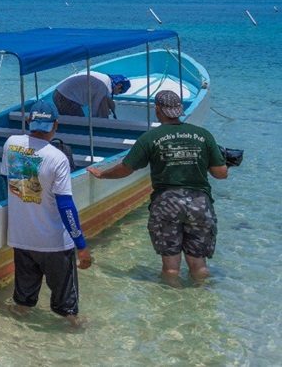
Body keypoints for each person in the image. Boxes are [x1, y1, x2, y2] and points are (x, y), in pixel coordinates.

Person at [88, 90, 227, 281]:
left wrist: (102, 174)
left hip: (166, 203)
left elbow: (126, 169)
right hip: (199, 203)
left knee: (171, 268)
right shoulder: (203, 135)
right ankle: (202, 302)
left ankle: (172, 303)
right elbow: (221, 173)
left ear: (158, 109)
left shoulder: (150, 137)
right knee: (199, 265)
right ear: (179, 109)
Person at [1, 99, 92, 324]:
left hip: (22, 239)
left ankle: (18, 338)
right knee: (67, 310)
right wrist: (81, 245)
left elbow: (9, 180)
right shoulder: (57, 158)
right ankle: (75, 339)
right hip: (54, 244)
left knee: (22, 303)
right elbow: (66, 206)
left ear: (29, 121)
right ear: (55, 126)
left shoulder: (11, 144)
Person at [52, 71, 131, 118]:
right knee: (80, 125)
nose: (117, 94)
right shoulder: (105, 86)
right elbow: (94, 110)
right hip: (66, 98)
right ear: (119, 86)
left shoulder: (104, 78)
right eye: (120, 92)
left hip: (59, 92)